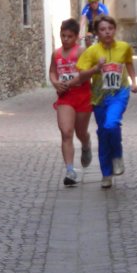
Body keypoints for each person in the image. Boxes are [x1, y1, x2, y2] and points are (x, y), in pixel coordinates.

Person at [76, 15, 137, 188]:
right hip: (99, 98)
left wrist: (134, 82)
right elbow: (81, 75)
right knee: (103, 134)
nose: (107, 32)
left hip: (119, 93)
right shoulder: (92, 51)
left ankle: (117, 156)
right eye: (103, 29)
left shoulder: (124, 47)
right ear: (97, 33)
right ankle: (106, 174)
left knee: (112, 124)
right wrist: (96, 68)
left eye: (110, 29)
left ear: (115, 30)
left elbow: (129, 62)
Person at [49, 18, 96, 186]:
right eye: (63, 35)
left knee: (80, 132)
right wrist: (55, 83)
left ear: (76, 37)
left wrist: (70, 82)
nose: (65, 39)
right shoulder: (56, 54)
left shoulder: (81, 52)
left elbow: (86, 74)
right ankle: (70, 170)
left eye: (69, 36)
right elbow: (52, 72)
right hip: (65, 97)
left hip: (83, 95)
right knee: (66, 132)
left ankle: (86, 143)